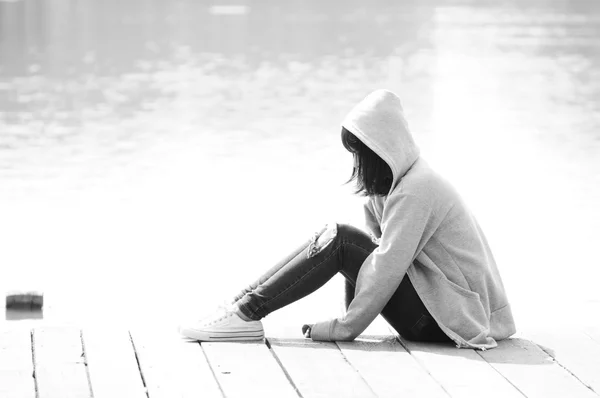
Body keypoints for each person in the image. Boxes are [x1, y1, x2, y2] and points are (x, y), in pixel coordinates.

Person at [179, 89, 516, 349]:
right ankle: (240, 307)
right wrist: (347, 321)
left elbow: (383, 270)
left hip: (452, 323)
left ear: (383, 150)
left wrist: (342, 328)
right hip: (441, 314)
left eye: (360, 154)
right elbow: (369, 258)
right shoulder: (393, 187)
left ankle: (246, 314)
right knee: (338, 238)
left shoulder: (417, 190)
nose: (356, 164)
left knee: (340, 238)